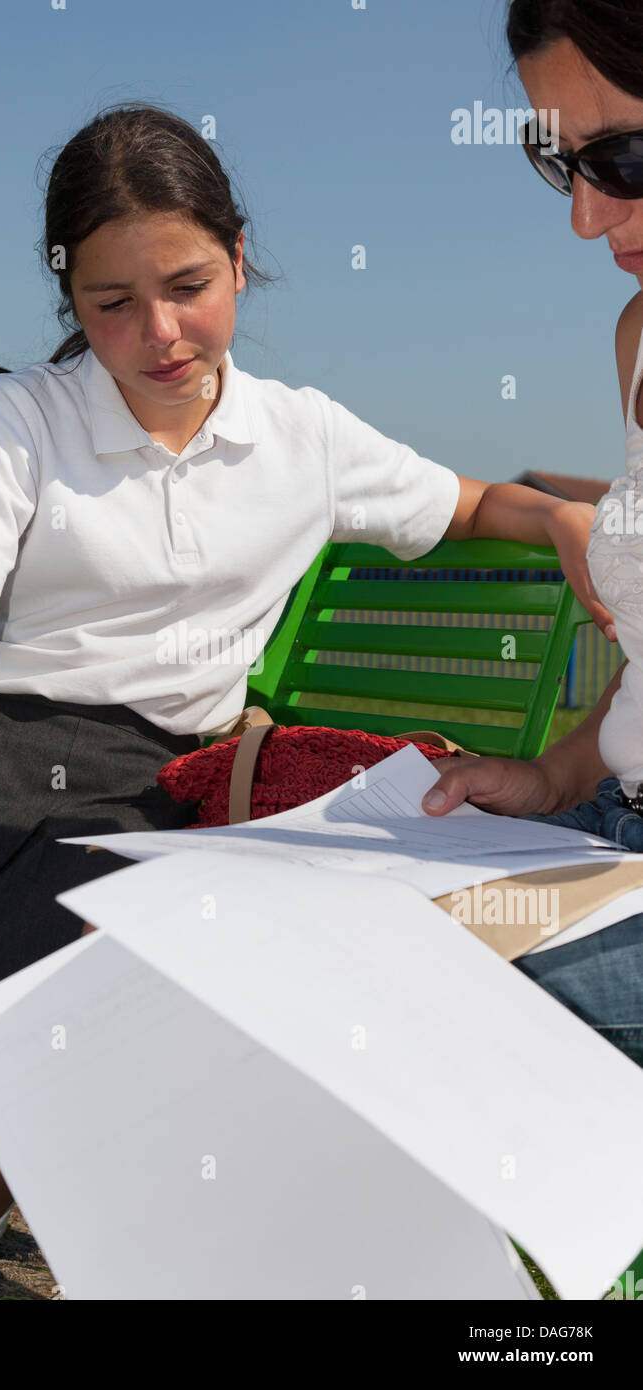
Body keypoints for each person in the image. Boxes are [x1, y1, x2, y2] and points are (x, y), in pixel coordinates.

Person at [0, 100, 608, 1301]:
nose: (158, 333)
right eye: (110, 304)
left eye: (188, 284)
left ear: (237, 254)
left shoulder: (302, 437)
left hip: (149, 803)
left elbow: (472, 501)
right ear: (68, 301)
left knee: (24, 1055)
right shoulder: (20, 418)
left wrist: (558, 515)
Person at [422, 0, 643, 1069]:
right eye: (561, 166)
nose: (586, 220)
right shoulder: (639, 337)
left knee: (403, 999)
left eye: (625, 157)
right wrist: (555, 779)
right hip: (616, 833)